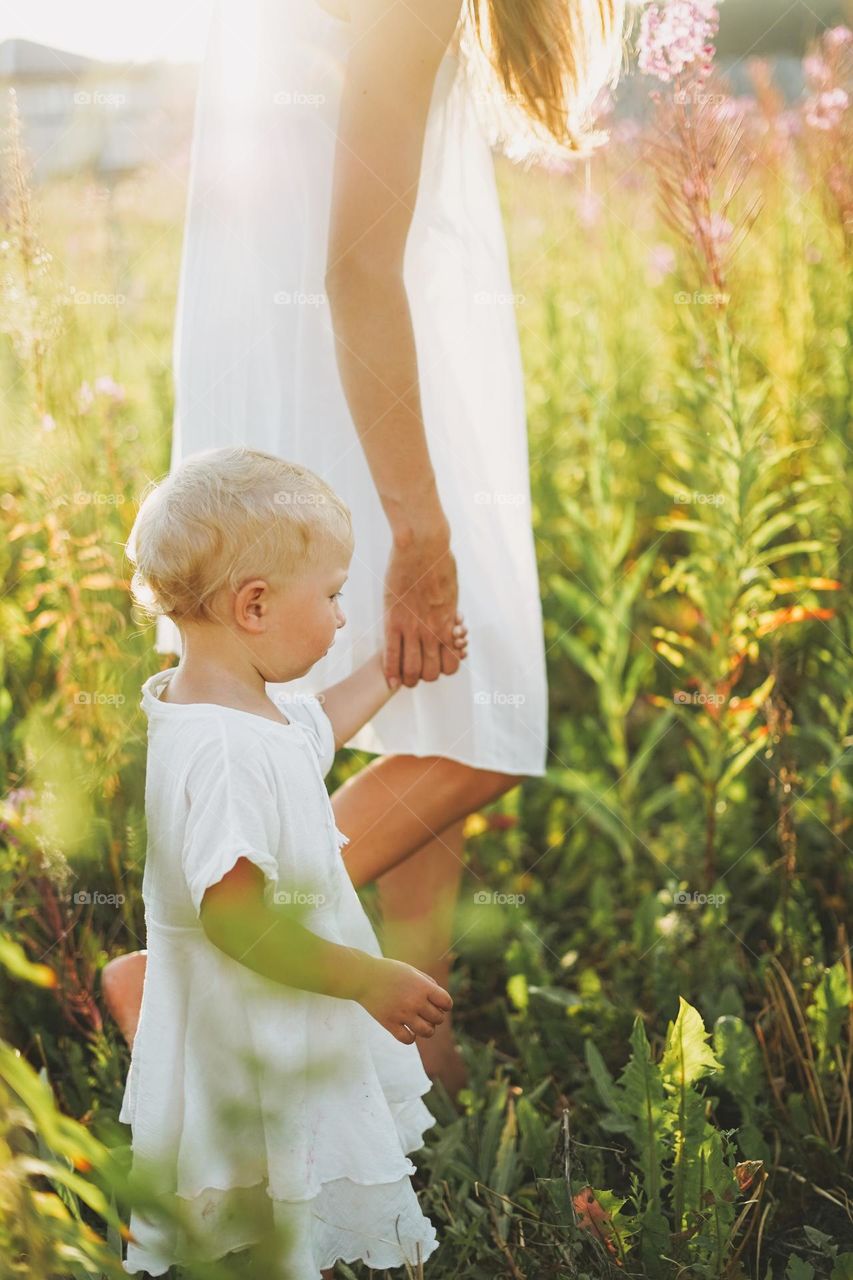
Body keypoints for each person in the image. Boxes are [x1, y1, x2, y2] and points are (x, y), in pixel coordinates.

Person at [102, 0, 627, 1096]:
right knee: (480, 720)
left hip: (315, 370)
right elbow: (353, 267)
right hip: (357, 386)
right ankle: (180, 970)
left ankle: (418, 1062)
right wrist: (421, 525)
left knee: (430, 706)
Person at [120, 446, 470, 1277]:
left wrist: (391, 667)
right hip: (259, 1022)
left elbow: (316, 727)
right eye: (335, 595)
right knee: (268, 1185)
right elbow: (236, 918)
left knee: (269, 1191)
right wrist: (366, 978)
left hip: (276, 1006)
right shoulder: (224, 750)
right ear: (254, 605)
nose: (342, 616)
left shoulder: (232, 703)